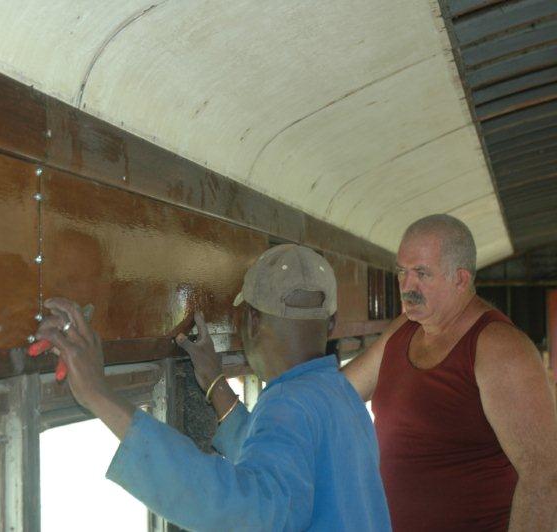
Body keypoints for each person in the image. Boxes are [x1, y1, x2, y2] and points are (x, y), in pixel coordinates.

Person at [35, 244, 391, 531]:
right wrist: (215, 383)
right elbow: (283, 470)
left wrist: (98, 392)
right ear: (331, 324)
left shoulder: (289, 403)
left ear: (250, 320)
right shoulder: (340, 395)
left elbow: (246, 511)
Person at [343, 214, 557, 531]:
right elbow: (342, 392)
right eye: (401, 272)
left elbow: (545, 475)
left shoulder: (498, 347)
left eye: (421, 274)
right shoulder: (404, 330)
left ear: (460, 279)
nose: (406, 287)